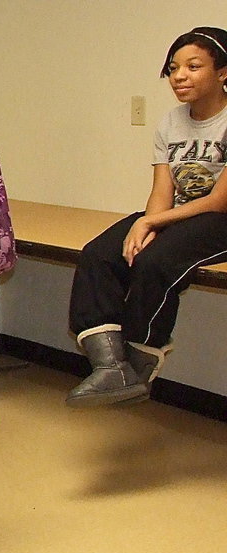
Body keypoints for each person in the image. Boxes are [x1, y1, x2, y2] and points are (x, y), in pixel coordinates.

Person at [67, 27, 227, 406]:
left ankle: (140, 362)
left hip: (220, 217)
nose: (179, 76)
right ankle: (110, 367)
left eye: (193, 66)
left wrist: (153, 223)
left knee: (155, 262)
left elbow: (219, 201)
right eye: (173, 68)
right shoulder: (170, 122)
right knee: (99, 253)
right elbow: (162, 192)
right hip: (182, 216)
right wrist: (147, 222)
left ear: (223, 73)